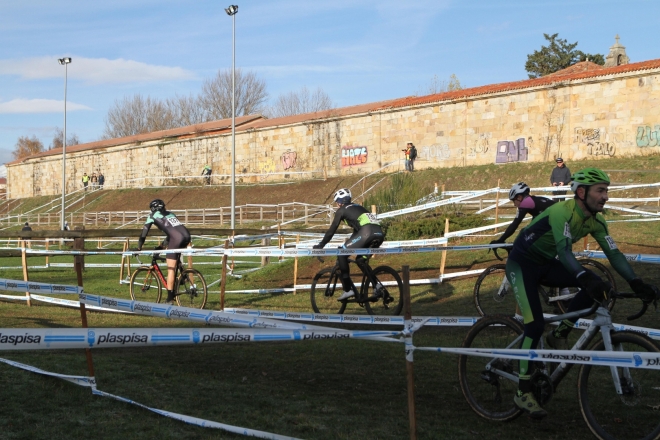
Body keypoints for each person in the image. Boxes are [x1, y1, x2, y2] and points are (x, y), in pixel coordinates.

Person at [505, 168, 659, 419]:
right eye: (600, 190)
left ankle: (560, 333)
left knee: (598, 285)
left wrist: (636, 283)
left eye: (606, 190)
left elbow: (614, 254)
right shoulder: (561, 212)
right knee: (534, 326)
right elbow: (564, 252)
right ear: (581, 192)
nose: (606, 196)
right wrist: (582, 277)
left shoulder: (596, 221)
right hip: (521, 265)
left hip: (545, 263)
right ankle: (522, 392)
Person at [312, 188, 384, 301]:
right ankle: (377, 286)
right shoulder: (358, 207)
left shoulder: (341, 210)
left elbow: (331, 231)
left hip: (366, 233)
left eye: (336, 202)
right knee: (360, 260)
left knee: (341, 254)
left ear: (339, 202)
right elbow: (357, 231)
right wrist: (347, 245)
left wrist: (321, 245)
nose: (337, 205)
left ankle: (348, 290)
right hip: (379, 233)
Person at [137, 199, 191, 303]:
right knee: (174, 258)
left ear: (153, 209)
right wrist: (162, 246)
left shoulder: (152, 216)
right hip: (187, 236)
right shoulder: (171, 214)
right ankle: (183, 276)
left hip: (176, 239)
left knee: (170, 268)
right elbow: (172, 232)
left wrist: (139, 247)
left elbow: (144, 233)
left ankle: (170, 298)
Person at [490, 182, 557, 245]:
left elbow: (515, 224)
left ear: (519, 197)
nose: (514, 204)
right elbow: (534, 221)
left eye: (514, 201)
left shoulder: (526, 203)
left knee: (526, 235)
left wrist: (501, 240)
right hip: (557, 218)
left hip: (555, 221)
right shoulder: (534, 200)